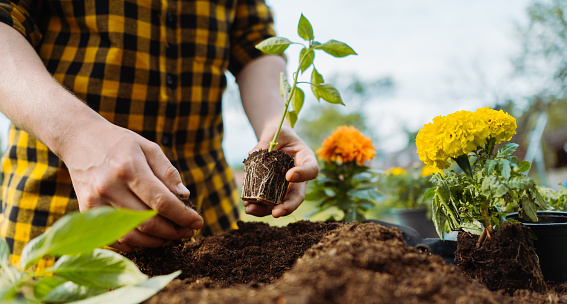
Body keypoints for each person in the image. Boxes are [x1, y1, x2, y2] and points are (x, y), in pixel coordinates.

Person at [0, 0, 318, 270]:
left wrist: (275, 127)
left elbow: (256, 44)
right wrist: (77, 135)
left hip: (212, 228)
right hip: (62, 222)